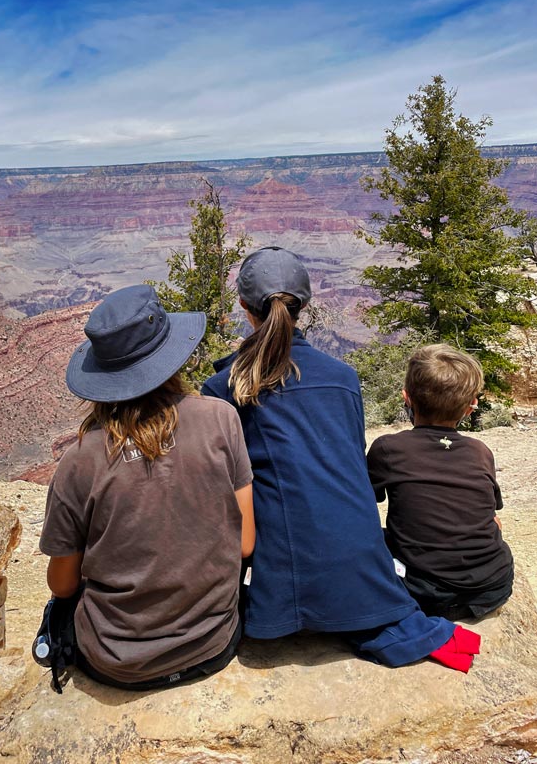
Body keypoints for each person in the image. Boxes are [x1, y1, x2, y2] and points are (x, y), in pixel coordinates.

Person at [202, 246, 481, 672]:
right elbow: (349, 464)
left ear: (243, 305)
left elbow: (223, 492)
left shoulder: (223, 388)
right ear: (304, 305)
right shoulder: (343, 378)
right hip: (359, 561)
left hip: (280, 569)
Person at [38, 284, 255, 690]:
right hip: (212, 645)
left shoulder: (79, 461)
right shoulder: (221, 420)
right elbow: (245, 544)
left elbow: (62, 585)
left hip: (117, 662)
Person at [367, 343, 514, 620]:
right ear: (471, 408)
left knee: (374, 540)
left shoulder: (388, 449)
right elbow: (492, 517)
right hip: (493, 586)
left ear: (406, 398)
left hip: (423, 592)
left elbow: (364, 506)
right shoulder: (480, 451)